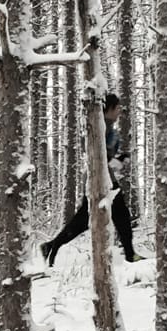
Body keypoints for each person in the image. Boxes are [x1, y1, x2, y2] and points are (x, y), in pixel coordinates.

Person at [42, 93, 141, 266]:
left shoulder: (110, 129)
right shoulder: (98, 126)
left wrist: (118, 158)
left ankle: (52, 245)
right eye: (117, 108)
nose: (120, 111)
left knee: (93, 220)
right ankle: (130, 255)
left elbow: (107, 154)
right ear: (109, 108)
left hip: (105, 180)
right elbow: (92, 150)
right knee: (116, 217)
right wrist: (115, 159)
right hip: (100, 181)